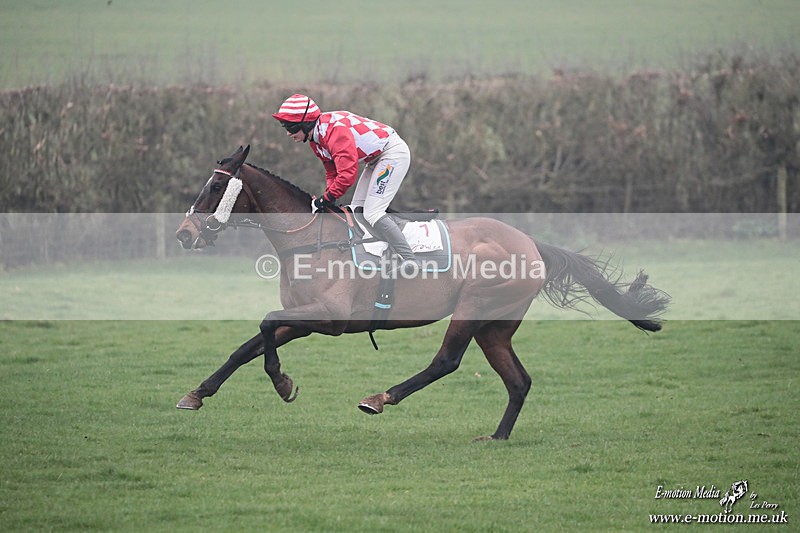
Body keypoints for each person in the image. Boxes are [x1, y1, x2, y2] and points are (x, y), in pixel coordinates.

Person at [272, 93, 419, 273]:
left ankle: (409, 259)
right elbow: (332, 171)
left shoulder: (334, 132)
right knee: (357, 210)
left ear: (306, 123)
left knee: (373, 212)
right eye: (285, 127)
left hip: (392, 154)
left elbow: (348, 174)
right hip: (375, 160)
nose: (288, 133)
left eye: (290, 127)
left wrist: (326, 199)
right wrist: (329, 196)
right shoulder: (316, 138)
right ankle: (381, 253)